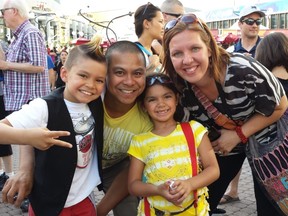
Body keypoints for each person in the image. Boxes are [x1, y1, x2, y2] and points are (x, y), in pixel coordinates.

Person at [162, 13, 287, 216]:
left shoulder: (242, 70)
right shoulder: (178, 88)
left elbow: (280, 105)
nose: (187, 60)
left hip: (269, 142)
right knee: (200, 201)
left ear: (209, 50)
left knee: (273, 207)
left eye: (195, 49)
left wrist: (239, 134)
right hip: (225, 148)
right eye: (177, 53)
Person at [1, 37, 107, 216]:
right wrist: (29, 137)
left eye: (99, 80)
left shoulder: (98, 101)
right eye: (83, 75)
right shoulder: (43, 106)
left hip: (84, 199)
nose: (91, 85)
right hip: (48, 203)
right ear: (64, 74)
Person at [128, 73, 219, 215]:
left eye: (167, 96)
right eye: (152, 99)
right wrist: (157, 190)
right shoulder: (139, 142)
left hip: (195, 211)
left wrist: (190, 184)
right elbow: (133, 185)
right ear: (144, 106)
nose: (161, 104)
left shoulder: (194, 130)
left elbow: (213, 169)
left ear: (176, 100)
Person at [96, 41, 153, 216]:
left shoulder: (148, 116)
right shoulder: (88, 97)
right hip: (77, 166)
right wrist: (25, 169)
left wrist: (99, 210)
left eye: (137, 73)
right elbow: (41, 117)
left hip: (117, 168)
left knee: (129, 210)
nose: (129, 82)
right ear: (105, 74)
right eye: (119, 72)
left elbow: (130, 170)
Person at [220, 5, 266, 205]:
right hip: (236, 118)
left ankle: (268, 201)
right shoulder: (228, 52)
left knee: (264, 163)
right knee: (233, 158)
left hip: (264, 118)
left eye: (257, 21)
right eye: (250, 21)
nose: (254, 25)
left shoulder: (268, 48)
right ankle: (233, 191)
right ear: (240, 24)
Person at [134, 2, 164, 73]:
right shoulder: (134, 53)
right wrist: (151, 67)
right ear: (146, 24)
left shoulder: (154, 51)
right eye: (160, 21)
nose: (163, 26)